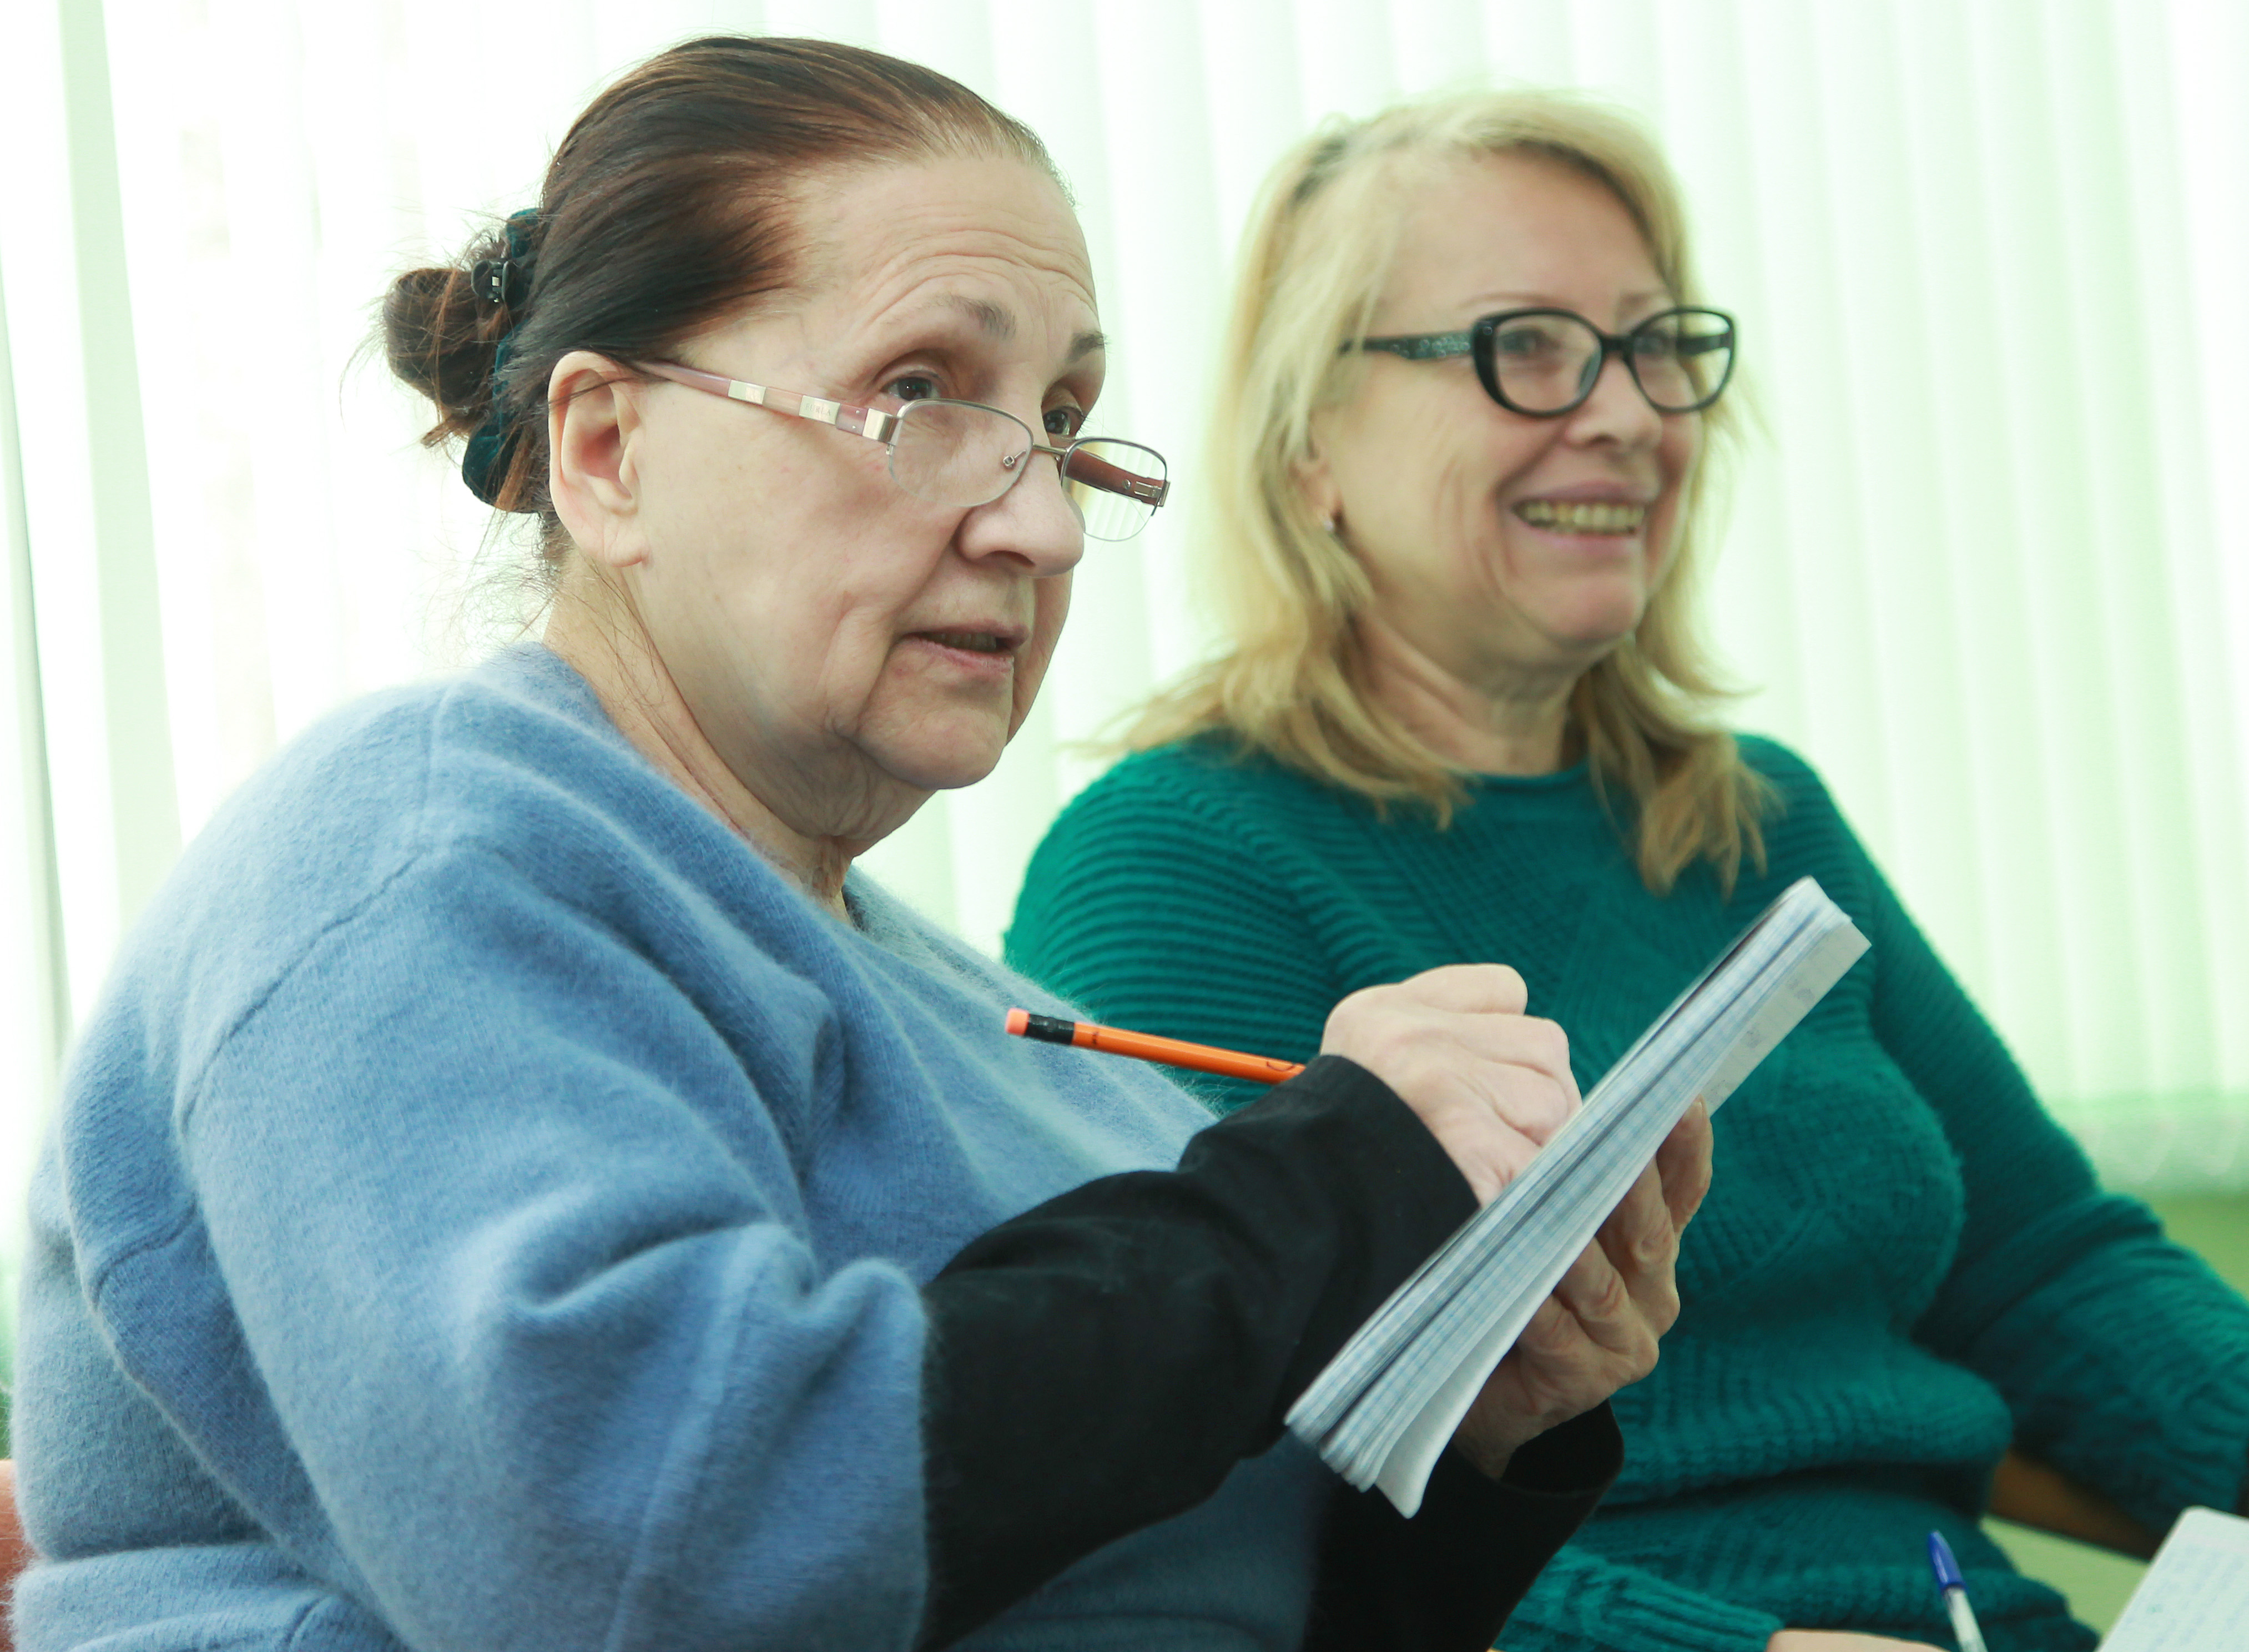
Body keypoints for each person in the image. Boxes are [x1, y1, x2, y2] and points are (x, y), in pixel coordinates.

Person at [7, 42, 1718, 1652]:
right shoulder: (415, 852)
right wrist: (1337, 1182)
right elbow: (640, 1551)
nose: (1042, 519)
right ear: (607, 456)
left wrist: (1477, 1431)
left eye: (1060, 418)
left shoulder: (999, 1023)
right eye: (919, 397)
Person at [1004, 89, 2249, 1652]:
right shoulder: (1179, 860)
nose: (1628, 414)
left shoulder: (1759, 821)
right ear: (1310, 449)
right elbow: (1232, 1485)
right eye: (1529, 347)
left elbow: (2038, 1256)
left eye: (1654, 349)